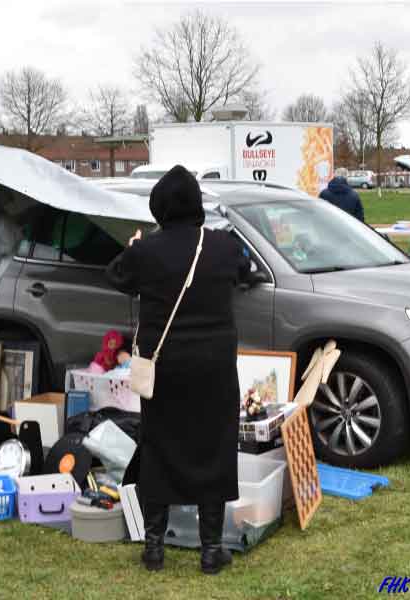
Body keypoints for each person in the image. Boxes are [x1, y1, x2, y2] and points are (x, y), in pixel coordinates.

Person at [106, 165, 250, 575]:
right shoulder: (222, 245)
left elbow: (115, 275)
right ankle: (210, 550)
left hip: (164, 367)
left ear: (160, 207)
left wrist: (133, 245)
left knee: (159, 447)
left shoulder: (147, 251)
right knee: (214, 448)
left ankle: (154, 549)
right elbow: (247, 273)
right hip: (214, 368)